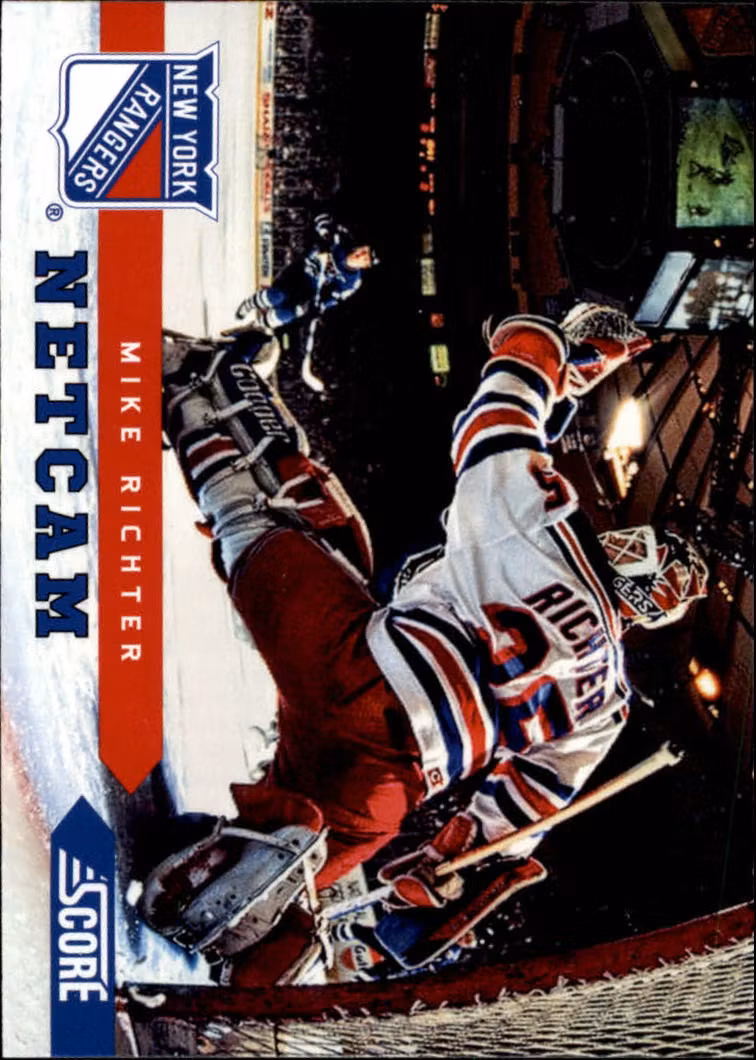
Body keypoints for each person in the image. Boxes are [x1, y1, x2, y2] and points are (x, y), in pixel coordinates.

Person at [145, 304, 708, 985]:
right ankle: (259, 921)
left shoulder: (545, 525)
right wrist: (443, 858)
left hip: (350, 663)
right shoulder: (607, 704)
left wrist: (555, 355)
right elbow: (522, 809)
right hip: (391, 785)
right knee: (295, 859)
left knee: (290, 514)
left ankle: (194, 383)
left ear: (626, 556)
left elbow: (496, 418)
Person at [234, 213, 378, 333]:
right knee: (277, 296)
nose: (360, 255)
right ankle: (249, 304)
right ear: (362, 246)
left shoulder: (353, 281)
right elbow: (321, 221)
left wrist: (320, 306)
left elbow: (334, 297)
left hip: (309, 293)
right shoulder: (343, 239)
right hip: (298, 274)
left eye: (365, 259)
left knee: (289, 314)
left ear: (365, 266)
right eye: (364, 251)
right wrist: (322, 236)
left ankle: (255, 328)